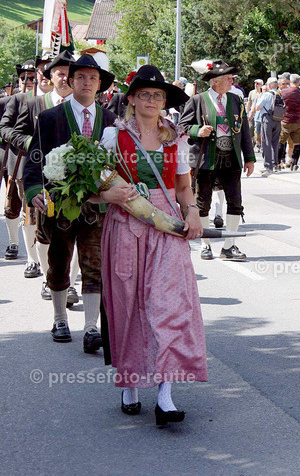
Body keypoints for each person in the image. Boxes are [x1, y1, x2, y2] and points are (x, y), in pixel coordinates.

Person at [100, 65, 206, 424]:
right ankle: (130, 382)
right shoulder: (113, 137)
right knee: (129, 304)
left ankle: (165, 393)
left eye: (158, 95)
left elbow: (184, 186)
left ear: (165, 101)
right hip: (126, 226)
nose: (151, 100)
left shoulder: (175, 137)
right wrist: (108, 195)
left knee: (170, 305)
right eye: (144, 94)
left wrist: (192, 212)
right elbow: (94, 191)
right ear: (131, 98)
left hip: (166, 229)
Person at [24, 55, 118, 352]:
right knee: (59, 261)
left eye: (92, 78)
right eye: (81, 77)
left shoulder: (111, 121)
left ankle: (91, 327)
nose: (87, 82)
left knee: (94, 265)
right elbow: (35, 158)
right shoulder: (51, 117)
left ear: (100, 84)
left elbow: (119, 164)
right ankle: (59, 318)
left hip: (98, 206)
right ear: (71, 81)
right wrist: (34, 189)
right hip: (62, 205)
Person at [178, 60, 256, 261]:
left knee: (235, 202)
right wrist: (198, 130)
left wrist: (249, 158)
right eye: (228, 78)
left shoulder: (236, 100)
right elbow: (183, 126)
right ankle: (206, 244)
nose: (232, 81)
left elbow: (245, 130)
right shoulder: (197, 100)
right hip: (205, 159)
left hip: (231, 159)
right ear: (215, 81)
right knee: (202, 202)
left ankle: (229, 246)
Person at [8, 52, 73, 292]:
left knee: (73, 233)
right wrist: (32, 144)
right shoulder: (34, 103)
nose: (65, 79)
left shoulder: (83, 105)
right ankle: (44, 272)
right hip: (39, 176)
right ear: (50, 77)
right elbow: (12, 131)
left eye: (69, 74)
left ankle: (70, 283)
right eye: (60, 74)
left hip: (75, 180)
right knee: (40, 227)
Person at [1, 59, 36, 261]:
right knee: (12, 207)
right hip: (17, 161)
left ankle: (35, 256)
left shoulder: (46, 101)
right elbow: (4, 128)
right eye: (24, 77)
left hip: (41, 163)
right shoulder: (12, 101)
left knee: (32, 212)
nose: (28, 81)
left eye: (32, 77)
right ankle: (14, 243)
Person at [255, 77, 284, 175]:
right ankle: (275, 164)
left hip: (267, 119)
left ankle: (268, 166)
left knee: (266, 142)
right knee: (275, 142)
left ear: (269, 85)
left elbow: (258, 107)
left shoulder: (266, 95)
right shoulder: (280, 94)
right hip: (278, 119)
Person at [280, 74, 300, 171]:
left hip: (286, 120)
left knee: (281, 142)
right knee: (297, 143)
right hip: (297, 121)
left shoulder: (284, 92)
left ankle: (279, 162)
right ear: (299, 82)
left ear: (290, 81)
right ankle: (295, 163)